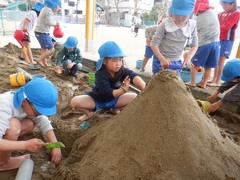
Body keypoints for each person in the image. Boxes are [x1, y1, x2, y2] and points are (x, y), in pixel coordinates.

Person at [70, 41, 146, 121]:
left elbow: (132, 75)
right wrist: (123, 90)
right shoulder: (100, 74)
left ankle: (114, 108)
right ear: (104, 61)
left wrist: (144, 86)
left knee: (135, 97)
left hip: (114, 100)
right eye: (114, 61)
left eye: (120, 60)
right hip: (97, 100)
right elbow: (107, 93)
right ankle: (88, 113)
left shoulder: (121, 70)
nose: (118, 64)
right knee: (75, 102)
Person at [0, 78, 62, 171]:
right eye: (38, 112)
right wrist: (25, 145)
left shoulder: (24, 100)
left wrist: (55, 145)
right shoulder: (4, 106)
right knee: (14, 126)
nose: (40, 115)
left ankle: (8, 142)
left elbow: (43, 121)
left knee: (29, 124)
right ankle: (3, 163)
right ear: (25, 102)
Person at [150, 0, 198, 76]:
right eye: (177, 15)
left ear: (190, 14)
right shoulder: (165, 24)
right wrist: (162, 59)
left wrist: (188, 58)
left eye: (184, 16)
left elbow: (194, 45)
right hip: (161, 60)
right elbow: (154, 44)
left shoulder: (192, 26)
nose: (180, 18)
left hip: (176, 61)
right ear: (171, 12)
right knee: (158, 84)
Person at [185, 0, 220, 88]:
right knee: (208, 66)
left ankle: (193, 82)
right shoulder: (213, 13)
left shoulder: (198, 19)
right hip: (216, 44)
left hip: (204, 44)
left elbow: (192, 32)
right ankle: (203, 84)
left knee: (194, 64)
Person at [207, 0, 240, 87]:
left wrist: (215, 29)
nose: (223, 6)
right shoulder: (221, 13)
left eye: (225, 4)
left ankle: (218, 81)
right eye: (222, 4)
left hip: (227, 40)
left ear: (233, 3)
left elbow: (227, 26)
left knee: (221, 60)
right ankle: (214, 79)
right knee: (216, 58)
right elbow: (214, 23)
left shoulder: (236, 13)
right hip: (218, 38)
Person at [34, 0, 61, 68]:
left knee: (44, 48)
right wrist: (55, 24)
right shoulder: (49, 11)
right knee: (51, 49)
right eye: (59, 6)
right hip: (42, 33)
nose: (59, 8)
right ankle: (40, 60)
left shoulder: (45, 9)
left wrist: (53, 24)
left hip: (39, 31)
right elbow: (48, 22)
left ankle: (44, 64)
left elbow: (47, 21)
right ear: (54, 4)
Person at [18, 2, 44, 68]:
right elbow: (27, 19)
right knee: (27, 46)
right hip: (24, 32)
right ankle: (30, 61)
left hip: (23, 32)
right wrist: (24, 27)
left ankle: (27, 60)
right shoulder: (33, 13)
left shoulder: (33, 13)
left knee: (24, 46)